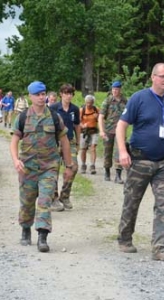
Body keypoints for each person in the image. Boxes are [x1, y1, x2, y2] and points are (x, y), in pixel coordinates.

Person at [116, 63, 164, 262]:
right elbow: (122, 125)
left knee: (163, 204)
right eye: (162, 76)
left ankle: (159, 247)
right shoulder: (139, 98)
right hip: (140, 160)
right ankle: (125, 238)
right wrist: (122, 151)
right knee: (132, 201)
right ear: (153, 77)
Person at [10, 81, 73, 253]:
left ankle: (42, 236)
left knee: (45, 200)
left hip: (49, 167)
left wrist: (69, 165)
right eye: (37, 94)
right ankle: (25, 229)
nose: (41, 97)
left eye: (43, 93)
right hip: (27, 168)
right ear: (30, 96)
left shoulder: (54, 116)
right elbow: (14, 141)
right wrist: (16, 160)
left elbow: (64, 141)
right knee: (27, 201)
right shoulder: (22, 117)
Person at [50, 84, 80, 212]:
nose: (68, 96)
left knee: (73, 167)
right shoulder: (53, 108)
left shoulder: (75, 109)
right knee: (53, 170)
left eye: (71, 93)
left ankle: (65, 195)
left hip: (70, 140)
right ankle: (54, 198)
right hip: (55, 142)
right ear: (61, 94)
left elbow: (77, 125)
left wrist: (78, 142)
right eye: (66, 93)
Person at [98, 81, 127, 183]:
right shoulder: (107, 101)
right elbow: (101, 117)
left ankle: (118, 175)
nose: (115, 91)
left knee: (119, 151)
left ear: (120, 90)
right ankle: (107, 171)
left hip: (121, 131)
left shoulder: (125, 101)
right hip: (108, 130)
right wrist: (101, 131)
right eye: (113, 89)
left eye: (117, 89)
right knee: (107, 152)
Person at [79, 94, 100, 174]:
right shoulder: (82, 110)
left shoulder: (96, 109)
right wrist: (82, 125)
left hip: (94, 131)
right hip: (84, 131)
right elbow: (78, 121)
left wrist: (97, 117)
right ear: (85, 102)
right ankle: (83, 165)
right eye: (87, 103)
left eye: (90, 103)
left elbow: (101, 120)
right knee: (83, 149)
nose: (89, 104)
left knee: (93, 148)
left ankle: (92, 165)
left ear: (93, 103)